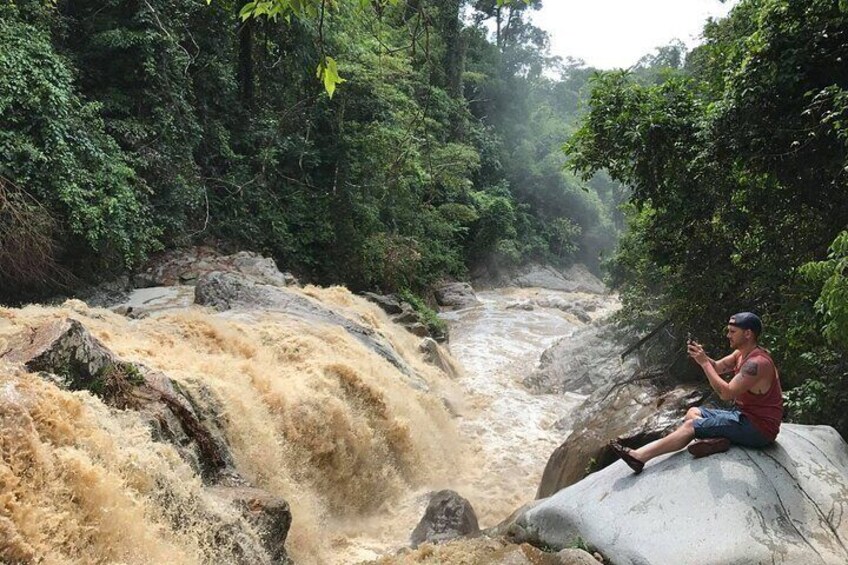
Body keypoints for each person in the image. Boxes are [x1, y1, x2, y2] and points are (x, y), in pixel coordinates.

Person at [611, 312, 783, 474]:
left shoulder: (757, 364)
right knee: (693, 412)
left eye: (732, 331)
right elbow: (717, 367)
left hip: (759, 428)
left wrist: (704, 364)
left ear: (748, 334)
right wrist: (700, 355)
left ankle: (639, 457)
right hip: (743, 416)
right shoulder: (741, 354)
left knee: (690, 426)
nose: (728, 335)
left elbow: (725, 393)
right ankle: (716, 440)